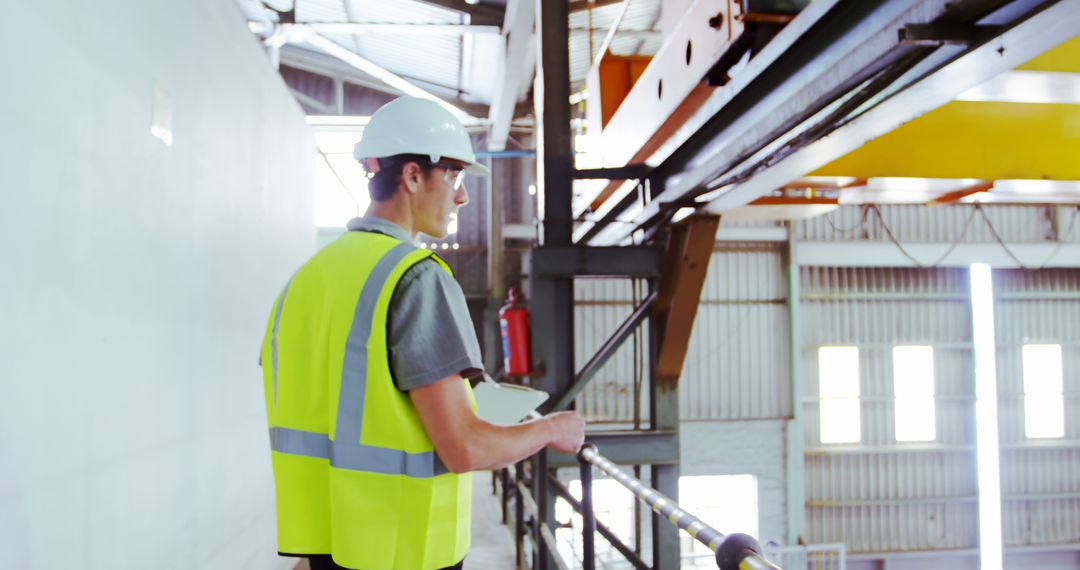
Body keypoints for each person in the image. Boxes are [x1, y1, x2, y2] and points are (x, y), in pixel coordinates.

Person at [259, 96, 585, 570]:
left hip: (328, 550)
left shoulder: (305, 280)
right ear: (413, 175)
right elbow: (464, 447)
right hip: (402, 550)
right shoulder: (413, 277)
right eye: (453, 176)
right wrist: (552, 428)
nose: (461, 196)